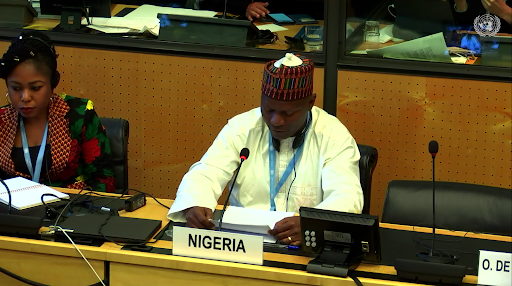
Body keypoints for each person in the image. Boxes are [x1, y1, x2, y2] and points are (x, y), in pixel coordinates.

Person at [168, 53, 363, 245]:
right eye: (269, 110)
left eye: (288, 113)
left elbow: (347, 196)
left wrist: (312, 223)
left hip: (302, 246)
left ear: (310, 103)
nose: (275, 121)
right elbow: (207, 172)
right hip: (241, 244)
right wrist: (194, 204)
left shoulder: (333, 135)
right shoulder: (242, 127)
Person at [0, 31, 116, 192]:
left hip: (71, 209)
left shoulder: (79, 115)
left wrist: (79, 207)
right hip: (15, 212)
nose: (25, 97)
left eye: (35, 88)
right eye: (16, 88)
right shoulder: (2, 120)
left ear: (53, 83)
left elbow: (104, 178)